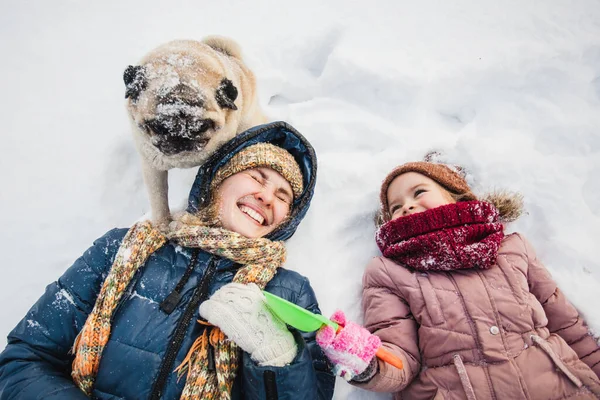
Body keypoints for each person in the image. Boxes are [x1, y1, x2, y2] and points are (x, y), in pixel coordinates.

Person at [0, 121, 335, 400]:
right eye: (257, 177)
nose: (266, 197)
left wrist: (276, 355)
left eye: (283, 196)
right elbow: (24, 361)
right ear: (219, 179)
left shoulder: (290, 292)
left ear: (286, 220)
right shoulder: (123, 249)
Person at [316, 157, 600, 399]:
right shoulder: (389, 273)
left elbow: (568, 325)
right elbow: (401, 357)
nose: (407, 206)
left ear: (454, 194)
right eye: (395, 207)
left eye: (418, 192)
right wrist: (366, 362)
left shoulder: (512, 248)